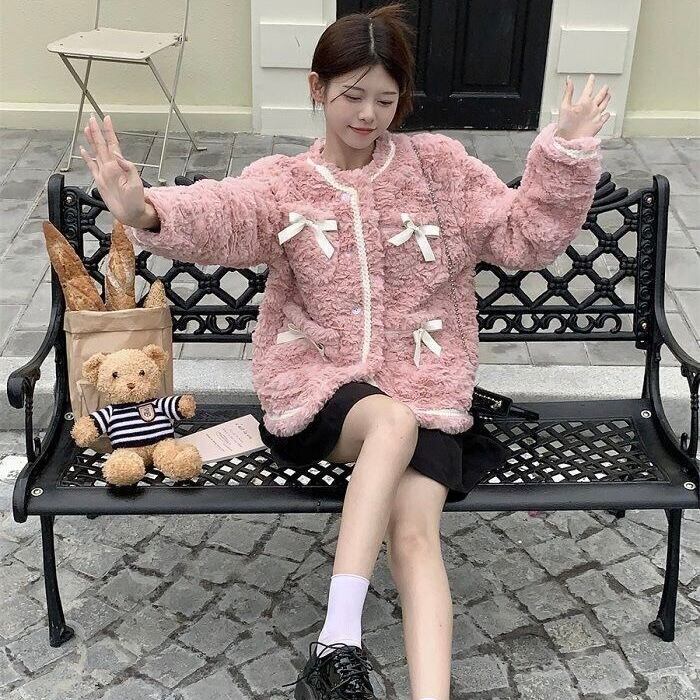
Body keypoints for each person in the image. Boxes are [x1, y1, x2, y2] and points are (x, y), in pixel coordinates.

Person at [79, 3, 610, 697]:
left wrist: (564, 155)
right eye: (352, 95)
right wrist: (145, 210)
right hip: (322, 391)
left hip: (427, 386)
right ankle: (337, 639)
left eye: (385, 100)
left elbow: (522, 236)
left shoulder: (438, 169)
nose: (367, 114)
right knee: (388, 420)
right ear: (317, 87)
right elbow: (225, 213)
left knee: (415, 534)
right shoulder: (286, 182)